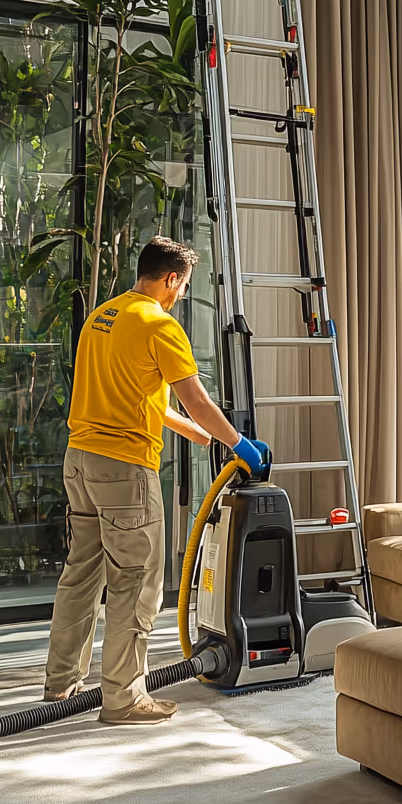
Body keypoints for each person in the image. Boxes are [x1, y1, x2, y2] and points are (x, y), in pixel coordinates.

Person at [44, 236, 268, 725]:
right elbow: (199, 399)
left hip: (79, 462)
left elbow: (139, 396)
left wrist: (193, 432)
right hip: (124, 469)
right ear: (170, 279)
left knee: (82, 574)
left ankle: (60, 685)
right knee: (136, 582)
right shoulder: (160, 325)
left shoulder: (103, 317)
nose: (183, 294)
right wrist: (237, 442)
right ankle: (123, 699)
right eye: (183, 285)